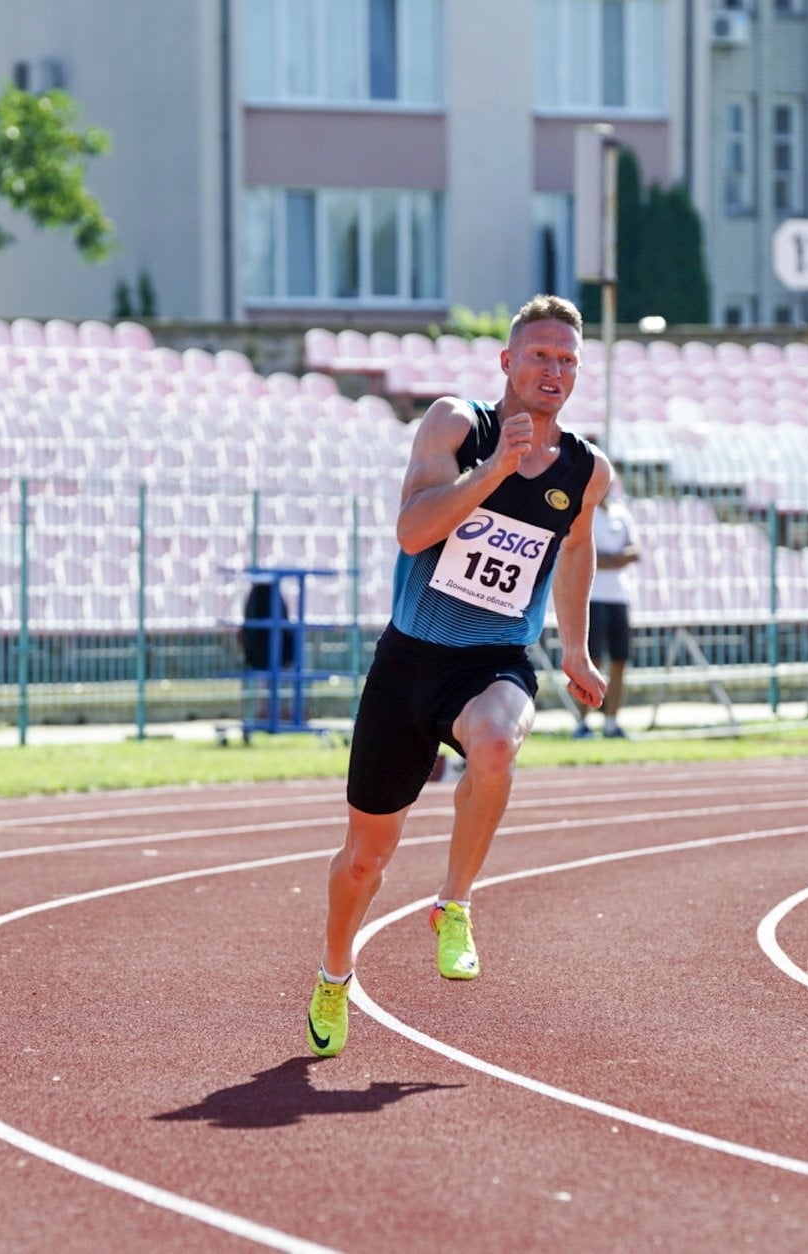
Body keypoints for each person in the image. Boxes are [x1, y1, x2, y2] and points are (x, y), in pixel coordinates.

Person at [306, 295, 610, 1058]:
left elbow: (574, 548)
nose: (554, 371)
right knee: (364, 861)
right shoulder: (454, 424)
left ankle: (455, 904)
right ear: (506, 362)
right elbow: (412, 531)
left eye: (567, 360)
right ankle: (334, 976)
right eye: (540, 355)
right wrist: (494, 470)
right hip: (409, 663)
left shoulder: (585, 468)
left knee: (499, 744)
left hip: (493, 660)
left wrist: (572, 650)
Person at [573, 472, 641, 739]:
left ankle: (612, 722)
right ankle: (583, 721)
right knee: (592, 660)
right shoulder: (585, 513)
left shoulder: (621, 513)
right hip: (593, 596)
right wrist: (614, 559)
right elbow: (584, 554)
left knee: (620, 660)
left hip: (619, 597)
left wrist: (608, 559)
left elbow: (635, 551)